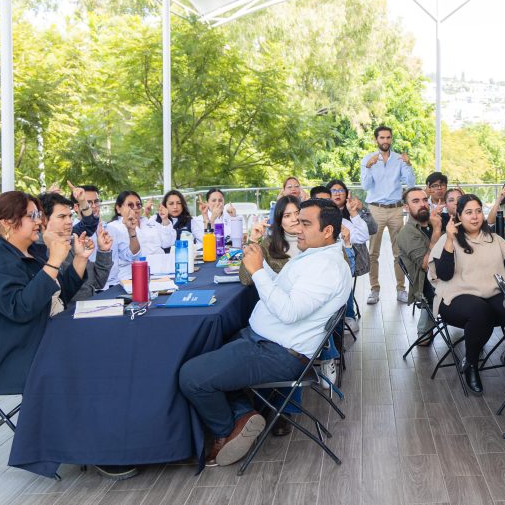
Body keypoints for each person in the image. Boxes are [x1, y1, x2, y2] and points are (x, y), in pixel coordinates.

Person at [178, 199, 351, 467]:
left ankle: (225, 431)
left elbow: (289, 311)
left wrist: (258, 270)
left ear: (327, 231)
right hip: (264, 342)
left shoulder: (326, 268)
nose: (297, 228)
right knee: (209, 350)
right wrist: (259, 261)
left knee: (192, 376)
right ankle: (244, 416)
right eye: (298, 221)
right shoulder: (316, 255)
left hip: (279, 353)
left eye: (306, 224)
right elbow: (281, 288)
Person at [0, 191, 90, 395]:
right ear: (7, 223)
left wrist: (80, 258)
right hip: (1, 359)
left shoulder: (28, 252)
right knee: (90, 357)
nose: (39, 221)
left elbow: (56, 296)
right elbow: (21, 308)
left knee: (97, 342)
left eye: (39, 215)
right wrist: (53, 262)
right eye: (31, 216)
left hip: (30, 338)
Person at [429, 194, 505, 394]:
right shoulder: (448, 238)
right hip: (455, 296)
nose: (475, 216)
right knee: (481, 312)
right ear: (459, 216)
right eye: (469, 212)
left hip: (491, 293)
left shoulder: (493, 239)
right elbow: (444, 274)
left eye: (478, 211)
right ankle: (471, 363)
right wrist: (450, 239)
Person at [360, 125, 416, 304]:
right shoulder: (368, 159)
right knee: (372, 253)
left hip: (396, 209)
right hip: (375, 209)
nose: (385, 141)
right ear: (376, 139)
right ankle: (374, 290)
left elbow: (411, 183)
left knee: (399, 252)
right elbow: (365, 186)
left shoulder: (400, 159)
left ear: (391, 139)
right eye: (382, 138)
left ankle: (401, 289)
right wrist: (368, 167)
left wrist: (408, 164)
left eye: (388, 137)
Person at [38, 191, 115, 300]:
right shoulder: (37, 250)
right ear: (43, 220)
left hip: (91, 305)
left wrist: (103, 251)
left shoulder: (73, 241)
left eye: (70, 216)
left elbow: (98, 282)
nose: (69, 221)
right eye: (62, 216)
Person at [327, 179, 377, 332]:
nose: (337, 194)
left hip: (352, 259)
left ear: (347, 193)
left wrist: (357, 211)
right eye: (333, 191)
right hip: (329, 260)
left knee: (343, 276)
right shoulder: (322, 216)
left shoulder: (350, 215)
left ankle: (348, 316)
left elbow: (370, 231)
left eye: (340, 190)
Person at [395, 187, 442, 345]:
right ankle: (424, 330)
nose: (422, 204)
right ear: (406, 207)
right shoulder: (406, 233)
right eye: (415, 201)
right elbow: (425, 265)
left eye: (424, 200)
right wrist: (437, 232)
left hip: (448, 273)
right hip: (429, 284)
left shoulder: (433, 221)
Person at [103, 191, 173, 289]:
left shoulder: (148, 222)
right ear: (118, 209)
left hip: (162, 272)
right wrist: (131, 231)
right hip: (132, 277)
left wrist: (165, 220)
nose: (135, 208)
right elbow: (128, 257)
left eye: (138, 204)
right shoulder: (113, 228)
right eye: (130, 205)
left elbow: (167, 243)